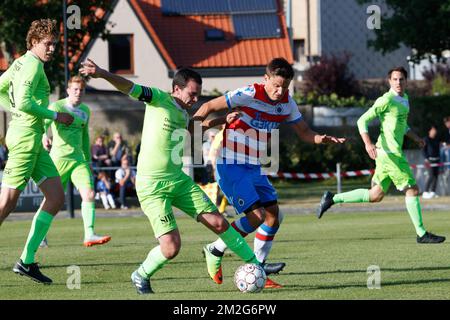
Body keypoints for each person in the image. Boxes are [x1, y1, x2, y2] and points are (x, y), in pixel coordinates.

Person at [80, 58, 280, 295]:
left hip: (178, 181)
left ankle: (257, 266)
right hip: (152, 186)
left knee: (219, 222)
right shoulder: (157, 98)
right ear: (176, 88)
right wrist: (102, 73)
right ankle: (140, 274)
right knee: (171, 247)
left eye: (198, 95)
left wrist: (219, 121)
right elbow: (127, 86)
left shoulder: (184, 114)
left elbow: (192, 132)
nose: (195, 100)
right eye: (192, 94)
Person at [193, 57, 345, 288]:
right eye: (276, 85)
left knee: (274, 215)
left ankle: (259, 270)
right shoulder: (248, 93)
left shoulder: (287, 103)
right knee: (257, 217)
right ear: (266, 79)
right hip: (231, 163)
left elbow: (304, 132)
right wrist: (193, 131)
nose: (279, 91)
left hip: (255, 167)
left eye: (284, 86)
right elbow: (208, 107)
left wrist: (320, 138)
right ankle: (215, 250)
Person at [317, 66, 446, 244]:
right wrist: (367, 143)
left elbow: (402, 125)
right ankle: (421, 233)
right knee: (413, 189)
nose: (398, 82)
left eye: (401, 79)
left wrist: (416, 138)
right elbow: (362, 120)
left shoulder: (404, 99)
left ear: (406, 81)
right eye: (395, 79)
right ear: (389, 81)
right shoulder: (386, 100)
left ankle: (332, 198)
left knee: (375, 195)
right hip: (390, 154)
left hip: (386, 154)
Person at [0, 19, 74, 284]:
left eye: (55, 43)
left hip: (31, 139)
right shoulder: (31, 66)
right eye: (47, 44)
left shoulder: (20, 62)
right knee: (5, 204)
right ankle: (27, 260)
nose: (52, 48)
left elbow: (0, 88)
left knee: (55, 197)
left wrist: (16, 112)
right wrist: (55, 116)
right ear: (33, 42)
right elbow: (24, 101)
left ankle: (27, 260)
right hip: (24, 141)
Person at [42, 75, 111, 247]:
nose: (78, 93)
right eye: (75, 89)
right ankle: (41, 235)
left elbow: (85, 137)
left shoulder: (86, 111)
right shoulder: (56, 106)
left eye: (81, 90)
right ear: (68, 90)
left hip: (79, 160)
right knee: (51, 200)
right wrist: (44, 136)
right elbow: (43, 124)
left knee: (89, 194)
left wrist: (88, 160)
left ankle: (89, 234)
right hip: (59, 159)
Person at [422, 125, 441, 199]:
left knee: (436, 176)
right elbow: (423, 150)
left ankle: (433, 192)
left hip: (437, 160)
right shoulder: (426, 139)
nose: (434, 131)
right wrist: (426, 158)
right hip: (429, 161)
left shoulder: (437, 139)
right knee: (430, 175)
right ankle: (425, 192)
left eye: (435, 130)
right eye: (433, 130)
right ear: (429, 131)